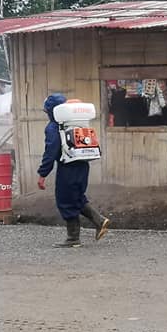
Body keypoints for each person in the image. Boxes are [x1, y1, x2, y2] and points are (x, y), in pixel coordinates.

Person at [37, 93, 111, 248]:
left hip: (68, 167)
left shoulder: (54, 127)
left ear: (51, 110)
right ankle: (99, 221)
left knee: (65, 200)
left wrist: (43, 173)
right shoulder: (78, 123)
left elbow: (51, 152)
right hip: (83, 165)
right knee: (76, 197)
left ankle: (73, 238)